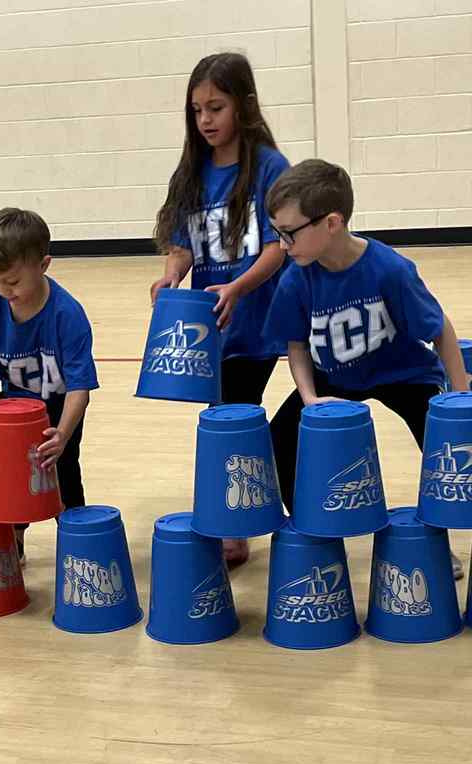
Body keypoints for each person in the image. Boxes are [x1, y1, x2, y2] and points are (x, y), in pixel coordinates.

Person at [264, 158, 468, 578]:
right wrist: (310, 400)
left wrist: (460, 396)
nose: (283, 244)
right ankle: (314, 526)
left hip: (404, 372)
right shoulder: (295, 279)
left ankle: (431, 544)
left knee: (444, 451)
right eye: (277, 233)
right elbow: (297, 345)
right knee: (279, 438)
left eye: (290, 233)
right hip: (334, 374)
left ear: (332, 223)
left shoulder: (390, 270)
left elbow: (440, 330)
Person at [150, 52, 290, 568]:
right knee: (225, 417)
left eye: (216, 107)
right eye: (197, 110)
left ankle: (237, 526)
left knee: (230, 414)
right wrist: (172, 273)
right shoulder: (193, 171)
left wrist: (239, 285)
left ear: (243, 106)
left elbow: (280, 246)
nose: (205, 119)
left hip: (254, 319)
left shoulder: (269, 168)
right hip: (212, 326)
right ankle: (239, 513)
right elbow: (184, 243)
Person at [0, 208, 99, 564]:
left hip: (59, 411)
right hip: (11, 411)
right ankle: (13, 541)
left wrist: (62, 434)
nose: (4, 291)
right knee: (11, 481)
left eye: (12, 282)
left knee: (64, 474)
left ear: (43, 265)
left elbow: (80, 389)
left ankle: (77, 545)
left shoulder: (67, 314)